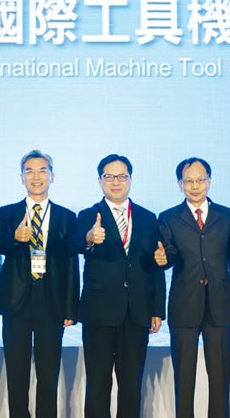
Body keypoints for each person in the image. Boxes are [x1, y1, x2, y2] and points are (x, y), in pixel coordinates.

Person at [73, 154, 166, 418]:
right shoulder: (88, 215)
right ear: (100, 181)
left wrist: (157, 309)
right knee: (98, 384)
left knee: (131, 385)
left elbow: (156, 264)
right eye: (109, 177)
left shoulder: (148, 218)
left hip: (137, 312)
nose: (116, 182)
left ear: (130, 179)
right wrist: (89, 237)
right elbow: (76, 243)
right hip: (99, 312)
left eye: (122, 176)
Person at [0, 150, 79, 418]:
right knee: (16, 373)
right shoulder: (7, 212)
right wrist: (14, 237)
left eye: (42, 170)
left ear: (52, 176)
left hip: (52, 303)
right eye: (29, 171)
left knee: (48, 375)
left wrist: (71, 308)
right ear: (21, 177)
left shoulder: (66, 216)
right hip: (15, 301)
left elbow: (71, 264)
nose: (36, 176)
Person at [155, 157, 230, 418]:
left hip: (220, 304)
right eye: (189, 181)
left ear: (209, 181)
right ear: (179, 184)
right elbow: (168, 255)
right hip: (184, 305)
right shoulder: (168, 217)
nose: (195, 186)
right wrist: (162, 259)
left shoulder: (227, 216)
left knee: (220, 378)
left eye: (200, 180)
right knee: (184, 380)